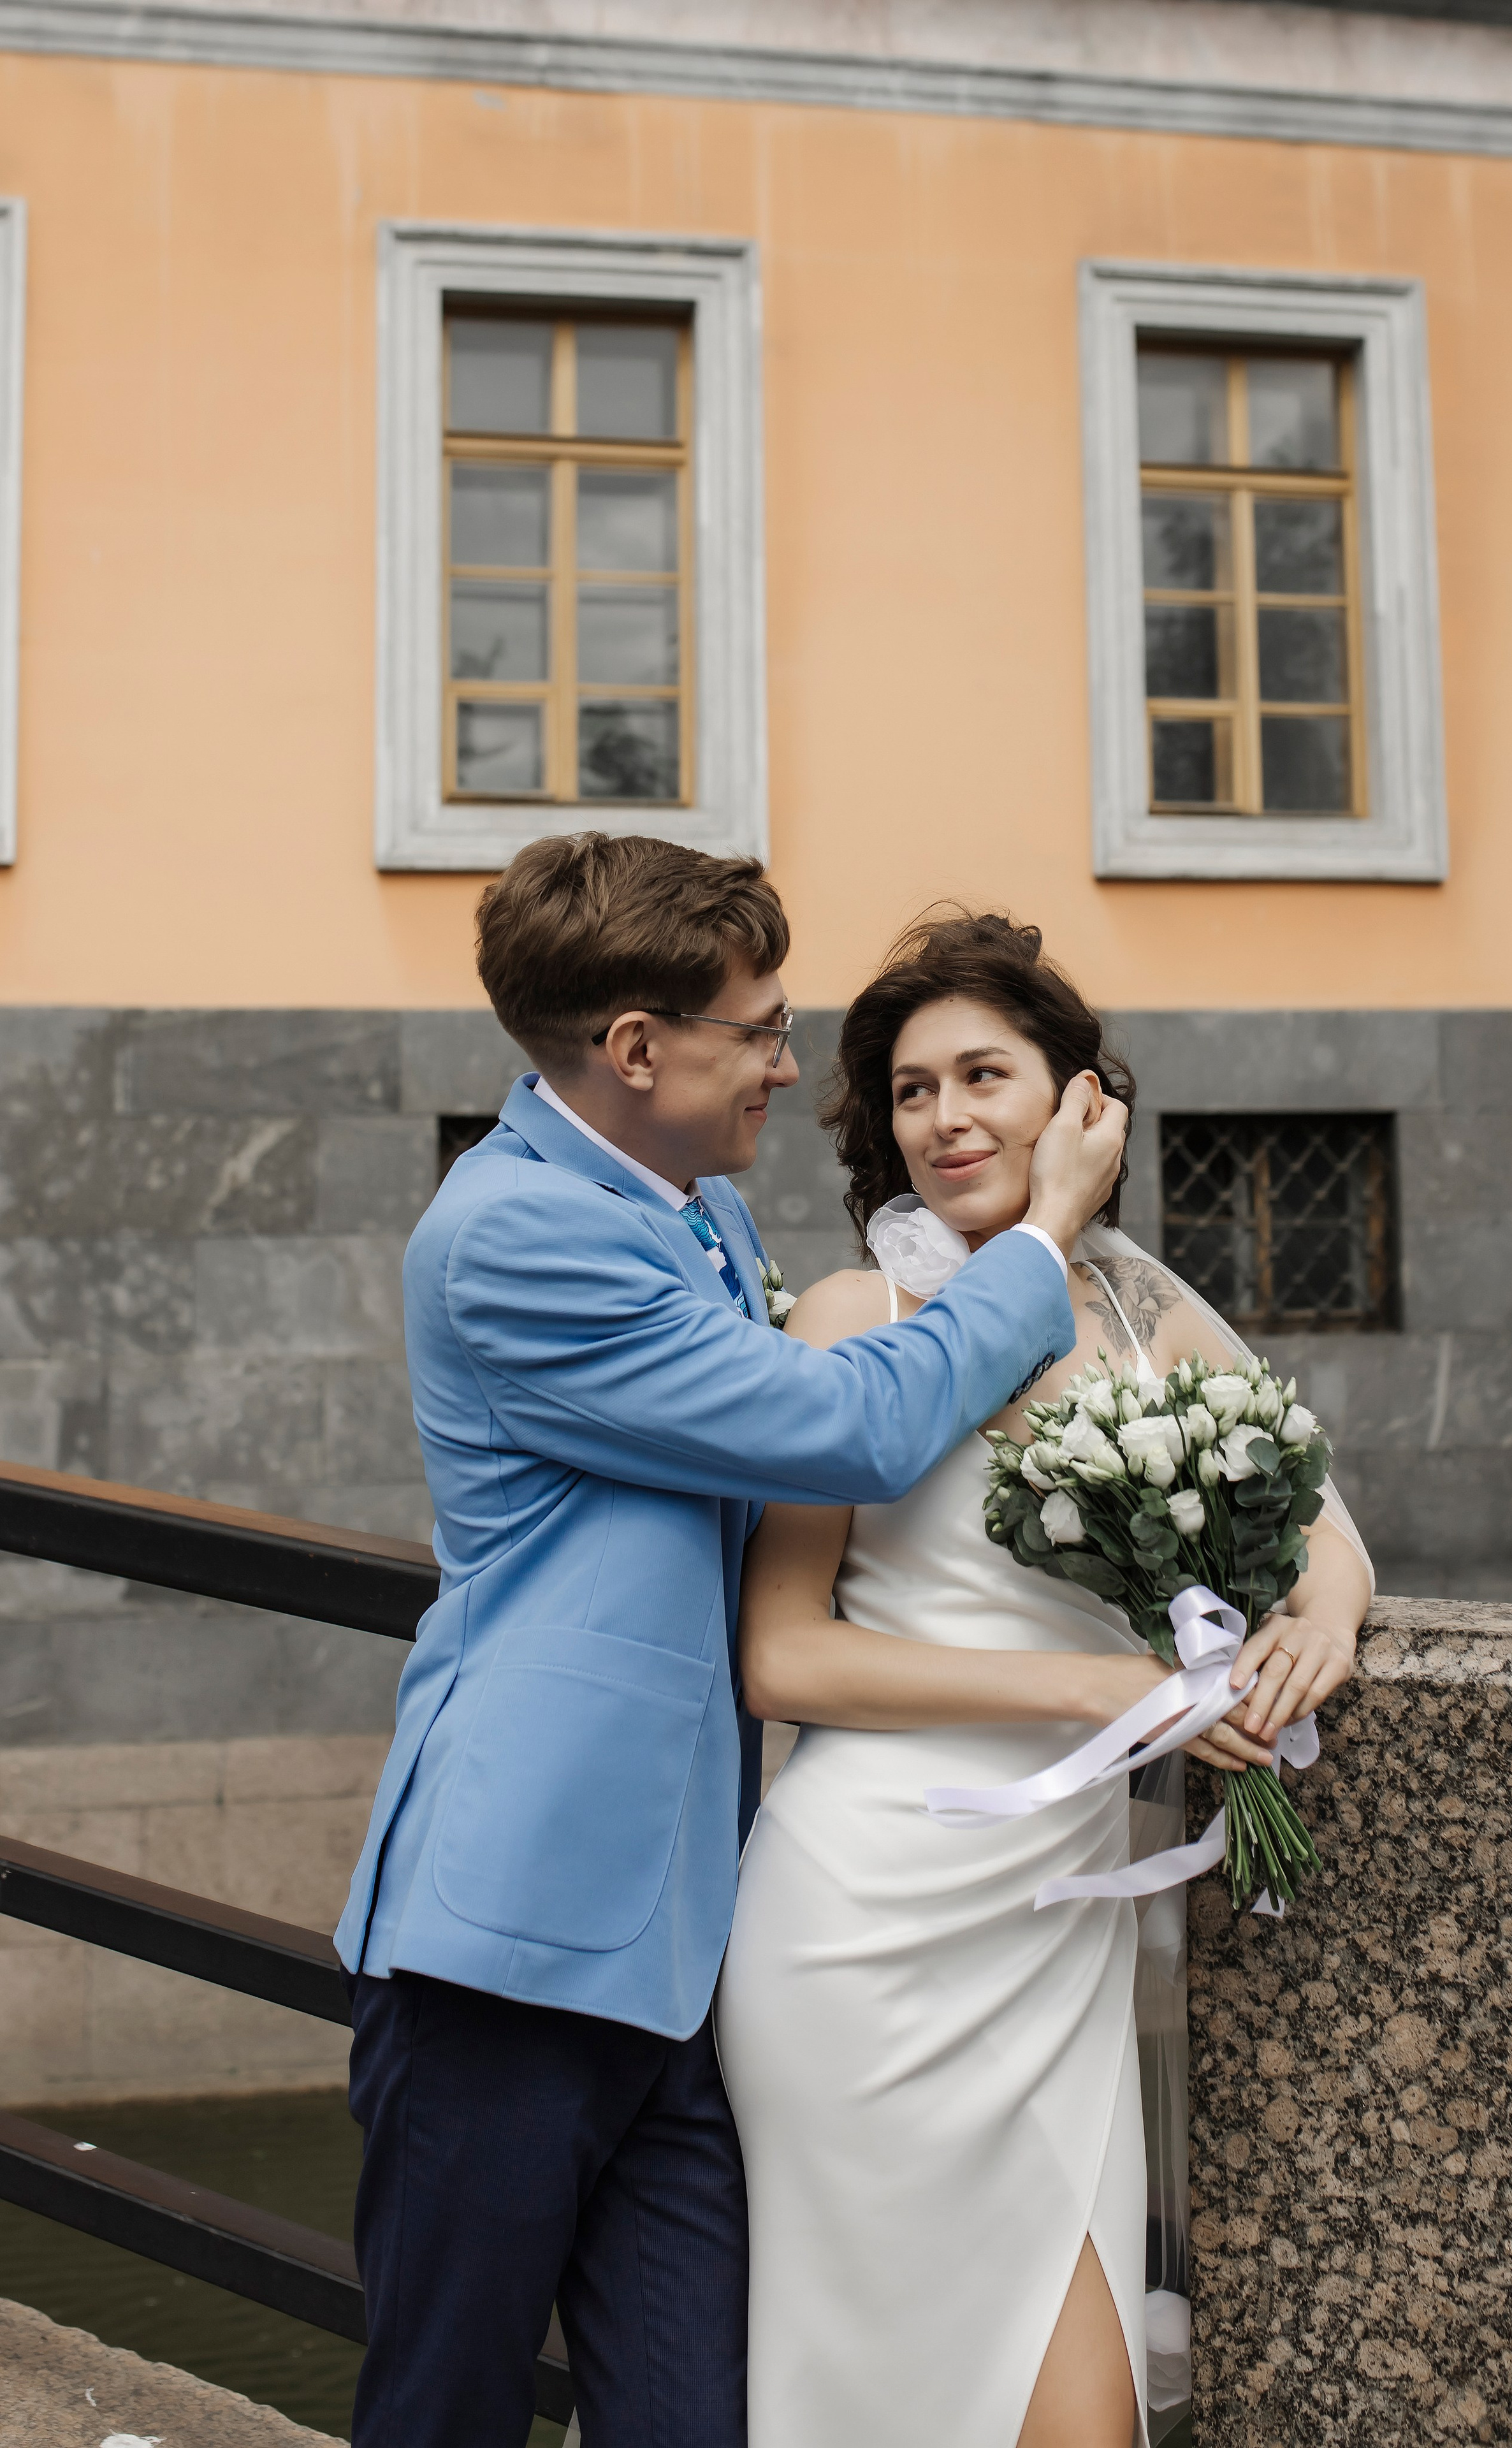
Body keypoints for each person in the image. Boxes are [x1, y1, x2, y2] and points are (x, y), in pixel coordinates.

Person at [331, 838, 1133, 2448]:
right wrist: (1040, 1242)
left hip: (683, 1943)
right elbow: (846, 1431)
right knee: (447, 2407)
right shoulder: (516, 1238)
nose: (786, 1058)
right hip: (514, 1936)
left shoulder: (679, 1215)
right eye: (759, 1029)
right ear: (638, 1048)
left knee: (698, 2417)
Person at [715, 910, 1374, 2448]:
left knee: (1070, 2417)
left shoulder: (1145, 1312)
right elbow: (780, 1653)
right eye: (910, 1090)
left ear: (1081, 1099)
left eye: (983, 1076)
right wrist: (1115, 1702)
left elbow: (1318, 1515)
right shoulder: (853, 1319)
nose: (944, 1119)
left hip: (1055, 1933)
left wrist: (1319, 1630)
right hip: (870, 1923)